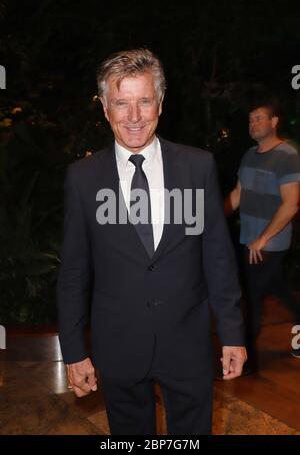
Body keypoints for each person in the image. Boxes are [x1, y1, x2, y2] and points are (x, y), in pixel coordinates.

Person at [57, 48, 247, 435]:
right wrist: (74, 351)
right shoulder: (83, 178)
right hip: (118, 344)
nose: (134, 117)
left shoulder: (198, 166)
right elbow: (74, 272)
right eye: (122, 103)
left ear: (160, 103)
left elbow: (218, 256)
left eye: (144, 101)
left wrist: (232, 334)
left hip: (188, 342)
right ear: (106, 109)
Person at [225, 99, 300, 368]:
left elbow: (291, 204)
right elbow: (237, 194)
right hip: (249, 238)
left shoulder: (287, 156)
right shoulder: (248, 155)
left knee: (251, 295)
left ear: (274, 122)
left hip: (270, 243)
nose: (253, 124)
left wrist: (264, 238)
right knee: (274, 287)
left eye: (259, 118)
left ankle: (246, 361)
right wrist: (212, 218)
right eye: (250, 119)